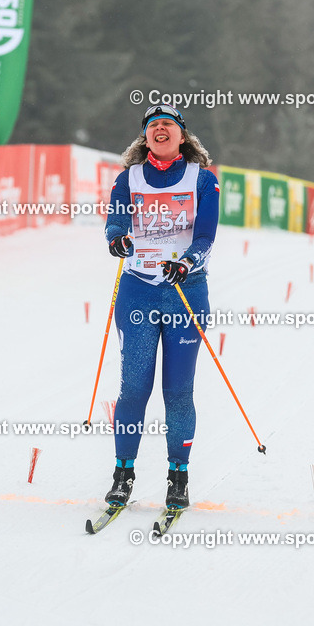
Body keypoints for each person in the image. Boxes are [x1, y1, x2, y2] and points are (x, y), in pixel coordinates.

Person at [102, 104, 219, 510]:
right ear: (145, 137)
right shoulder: (128, 179)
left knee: (178, 391)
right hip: (139, 291)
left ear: (182, 136)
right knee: (133, 388)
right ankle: (123, 474)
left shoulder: (202, 180)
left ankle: (178, 476)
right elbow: (115, 223)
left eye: (168, 124)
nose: (160, 129)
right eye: (153, 126)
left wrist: (185, 262)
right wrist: (117, 239)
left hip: (186, 292)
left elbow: (205, 235)